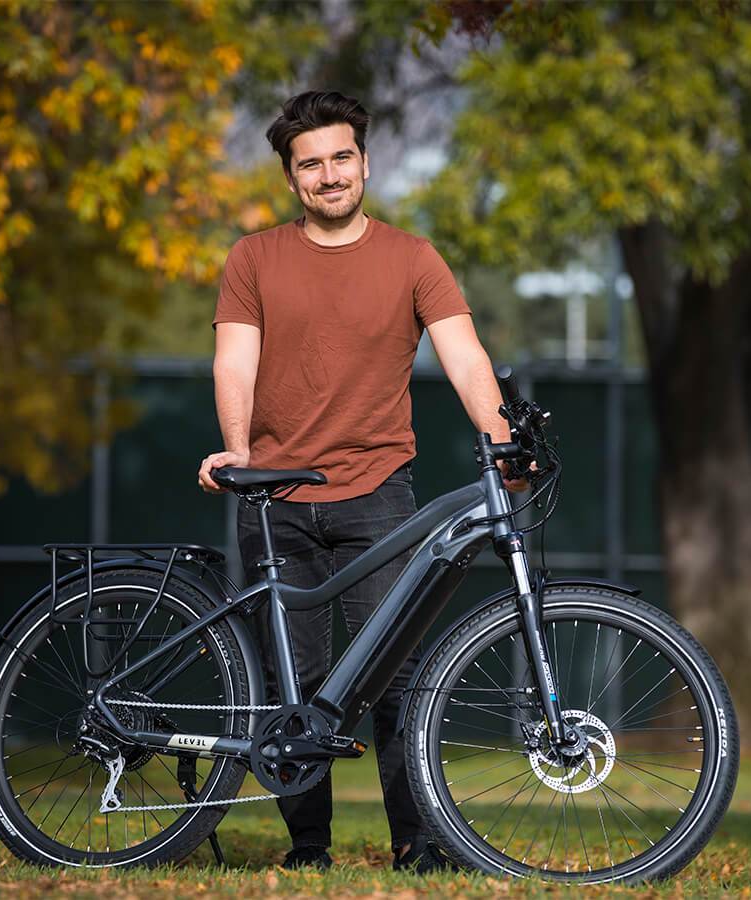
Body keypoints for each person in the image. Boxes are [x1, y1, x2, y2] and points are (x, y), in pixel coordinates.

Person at [198, 90, 524, 872]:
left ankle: (418, 843)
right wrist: (240, 453)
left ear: (365, 164)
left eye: (341, 157)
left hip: (379, 494)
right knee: (293, 681)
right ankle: (307, 846)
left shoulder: (413, 258)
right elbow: (233, 361)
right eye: (310, 164)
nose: (329, 174)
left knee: (396, 678)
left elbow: (466, 356)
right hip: (275, 495)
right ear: (291, 179)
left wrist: (504, 441)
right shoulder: (255, 259)